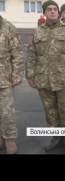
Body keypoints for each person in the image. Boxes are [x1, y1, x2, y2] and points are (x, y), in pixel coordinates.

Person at [26, 0, 65, 153]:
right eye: (49, 9)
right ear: (44, 12)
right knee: (50, 111)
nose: (52, 11)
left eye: (54, 9)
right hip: (43, 78)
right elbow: (31, 54)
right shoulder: (38, 32)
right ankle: (56, 137)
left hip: (64, 79)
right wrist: (30, 75)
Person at [0, 16, 24, 154]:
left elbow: (18, 54)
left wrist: (16, 76)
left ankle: (10, 140)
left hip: (4, 79)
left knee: (6, 112)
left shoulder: (8, 28)